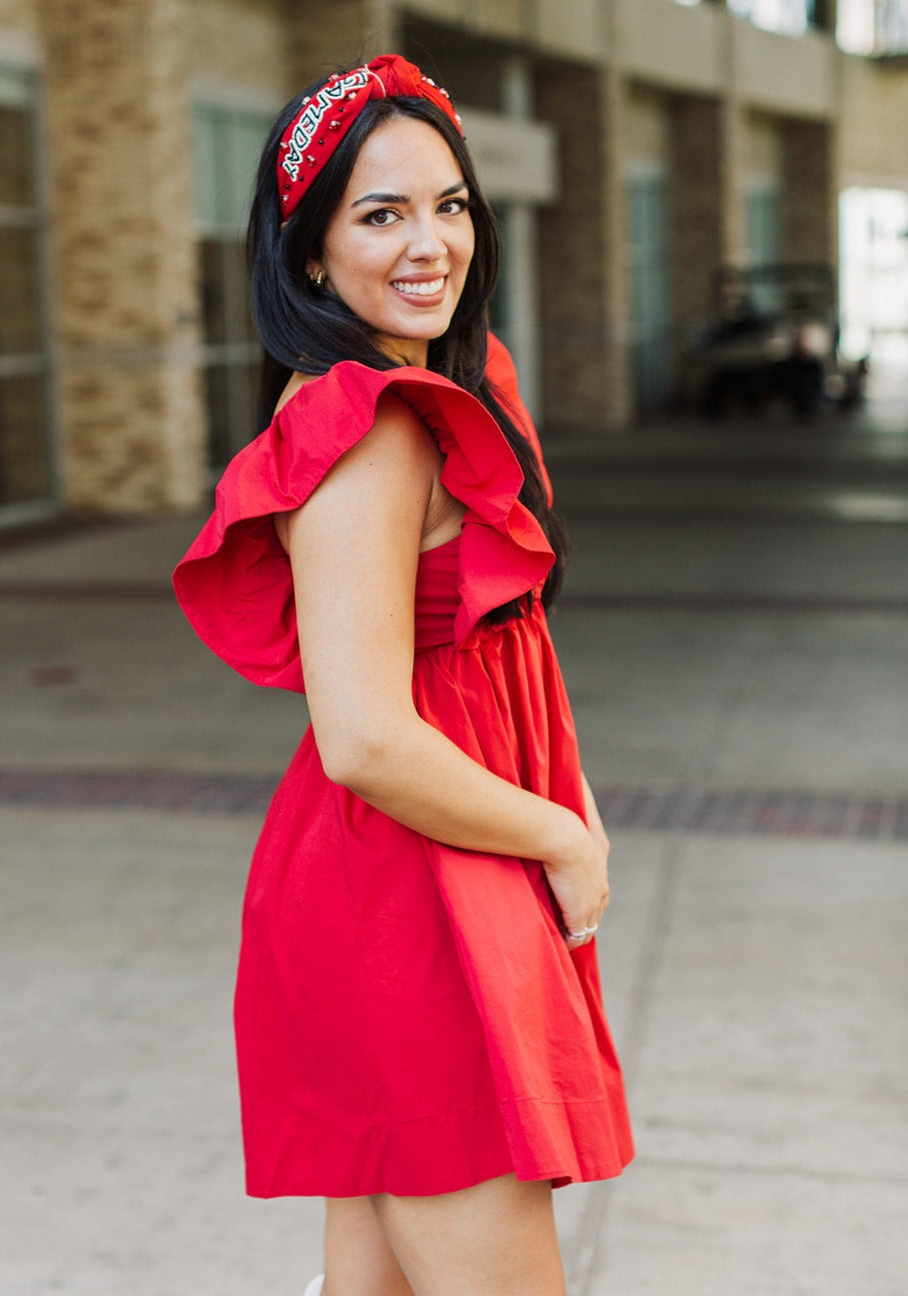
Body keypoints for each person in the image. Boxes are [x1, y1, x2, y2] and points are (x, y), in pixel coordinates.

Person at [173, 54, 634, 1296]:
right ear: (312, 256)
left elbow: (498, 654)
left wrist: (566, 805)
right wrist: (562, 836)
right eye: (380, 215)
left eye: (449, 204)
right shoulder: (368, 428)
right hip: (407, 896)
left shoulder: (437, 392)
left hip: (440, 859)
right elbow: (365, 735)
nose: (431, 244)